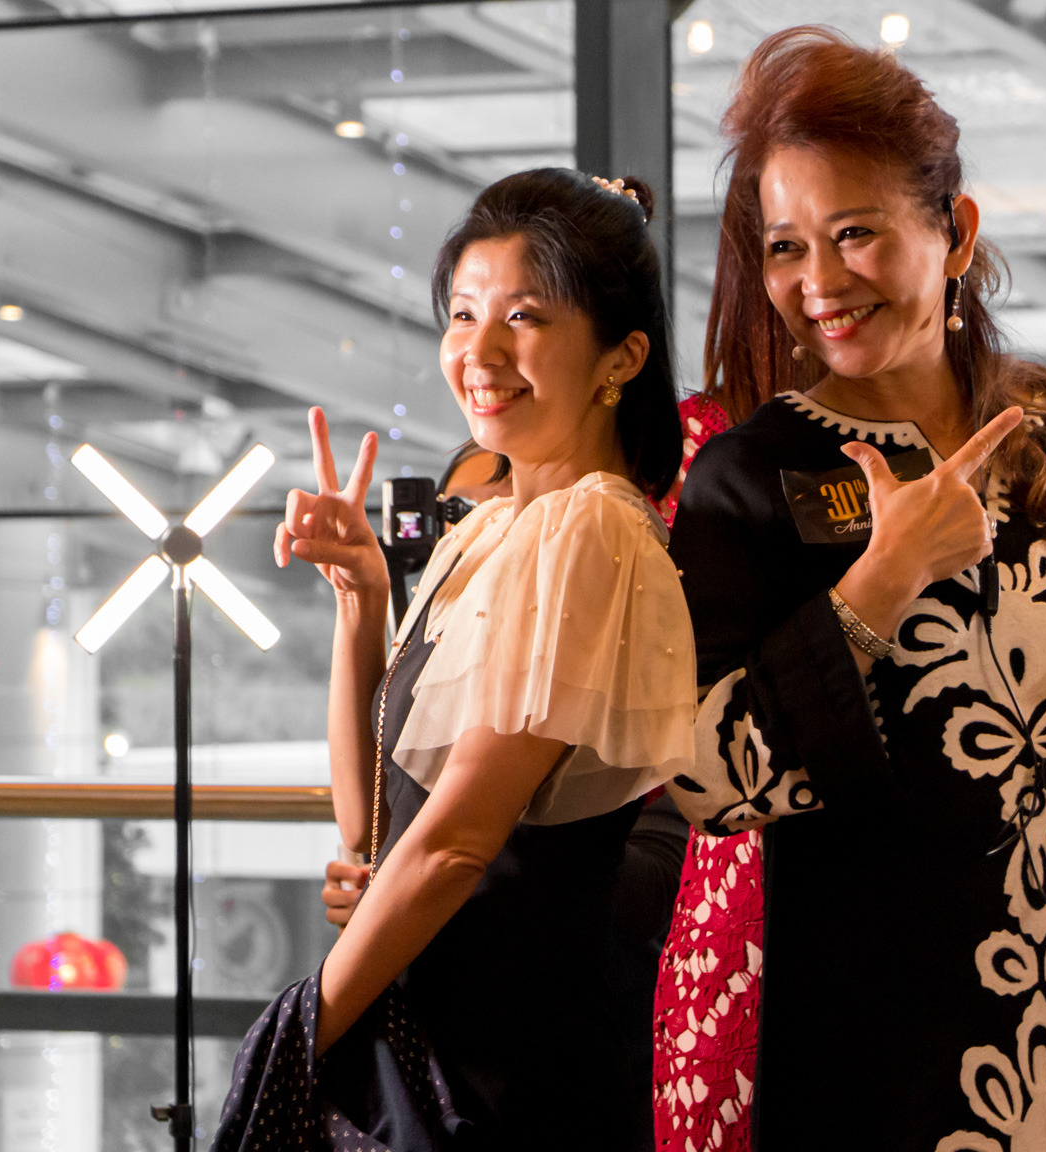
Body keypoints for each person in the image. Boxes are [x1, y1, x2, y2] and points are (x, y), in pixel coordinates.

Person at [657, 29, 1046, 1152]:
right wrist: (880, 582)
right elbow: (703, 776)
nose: (818, 282)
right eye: (784, 247)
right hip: (883, 1053)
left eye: (854, 233)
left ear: (954, 232)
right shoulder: (749, 477)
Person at [214, 167, 692, 1152]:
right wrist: (362, 601)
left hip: (512, 1077)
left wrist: (298, 1036)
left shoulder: (591, 530)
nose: (479, 351)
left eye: (524, 317)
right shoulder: (490, 530)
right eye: (463, 313)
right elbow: (375, 827)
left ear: (621, 355)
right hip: (434, 1051)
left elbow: (457, 846)